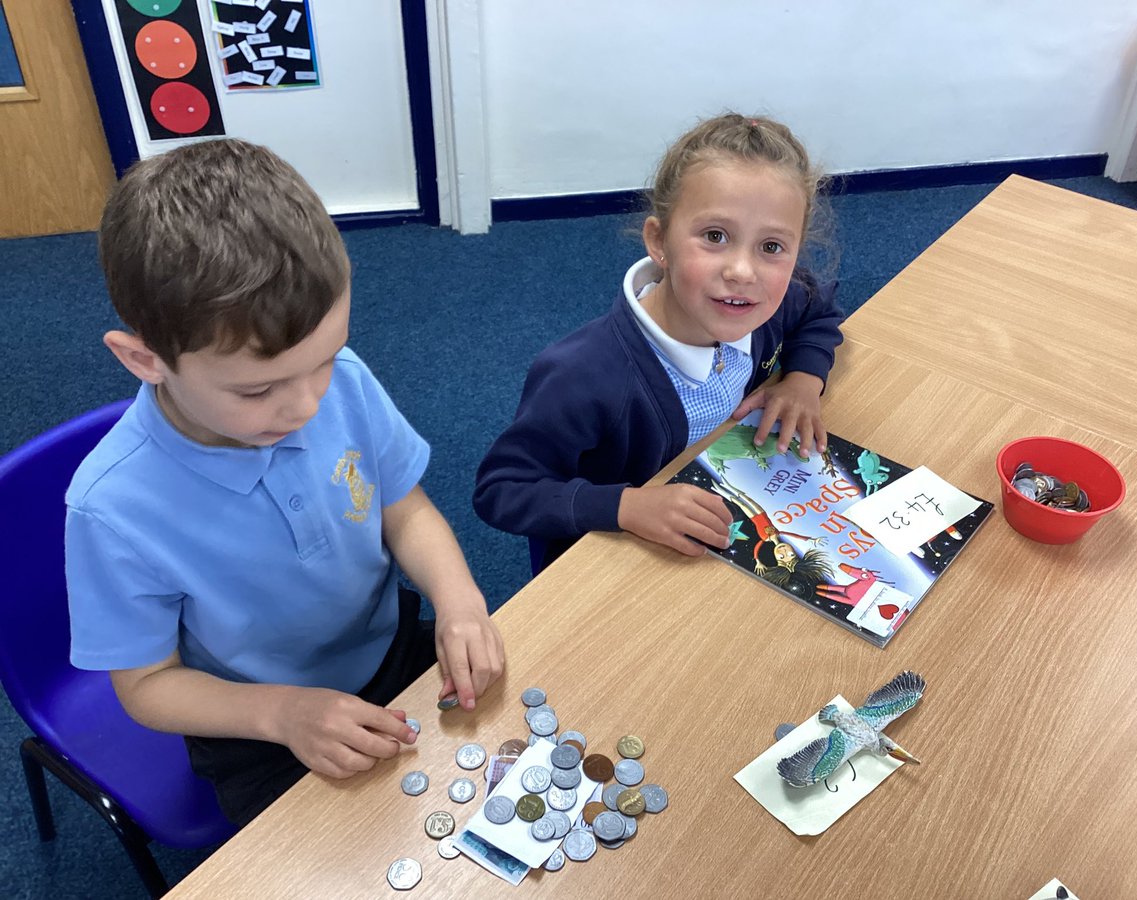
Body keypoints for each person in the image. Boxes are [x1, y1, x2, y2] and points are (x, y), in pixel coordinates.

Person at [65, 139, 505, 827]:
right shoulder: (111, 511)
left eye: (325, 359)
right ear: (143, 358)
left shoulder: (346, 384)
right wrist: (283, 713)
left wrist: (459, 600)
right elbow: (148, 684)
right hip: (258, 723)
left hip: (388, 648)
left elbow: (406, 511)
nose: (305, 406)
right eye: (259, 388)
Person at [474, 113, 844, 570]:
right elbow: (501, 489)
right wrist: (626, 507)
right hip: (618, 566)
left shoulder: (767, 304)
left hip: (720, 537)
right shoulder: (583, 373)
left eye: (771, 247)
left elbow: (818, 309)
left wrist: (804, 380)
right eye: (715, 236)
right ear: (659, 241)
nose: (743, 272)